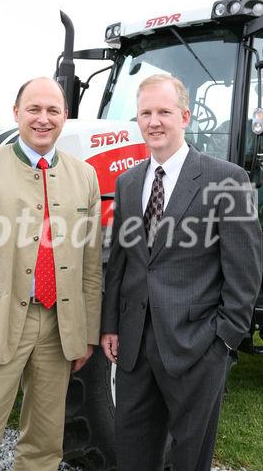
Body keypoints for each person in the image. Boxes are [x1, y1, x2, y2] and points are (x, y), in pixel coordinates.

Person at [100, 73, 262, 471]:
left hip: (198, 346)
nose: (154, 121)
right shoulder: (128, 182)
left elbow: (245, 272)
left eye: (164, 112)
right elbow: (120, 260)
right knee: (134, 453)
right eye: (146, 113)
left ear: (185, 117)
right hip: (135, 346)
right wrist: (110, 326)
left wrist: (222, 341)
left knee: (190, 458)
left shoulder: (227, 179)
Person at [0, 77, 102, 471]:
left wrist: (87, 334)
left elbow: (90, 266)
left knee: (45, 448)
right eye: (34, 109)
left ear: (65, 116)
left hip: (58, 329)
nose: (43, 119)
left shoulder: (85, 176)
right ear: (16, 113)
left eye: (53, 110)